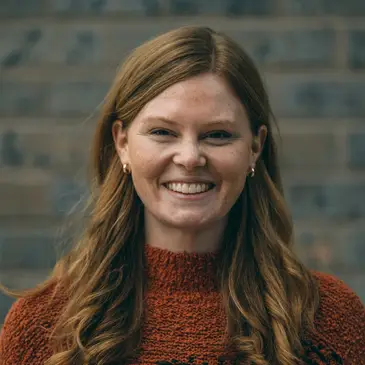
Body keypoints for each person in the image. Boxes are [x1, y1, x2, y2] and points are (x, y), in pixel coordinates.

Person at [0, 26, 364, 365]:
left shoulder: (329, 318)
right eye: (162, 132)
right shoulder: (43, 326)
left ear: (255, 147)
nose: (190, 157)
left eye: (217, 135)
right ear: (122, 143)